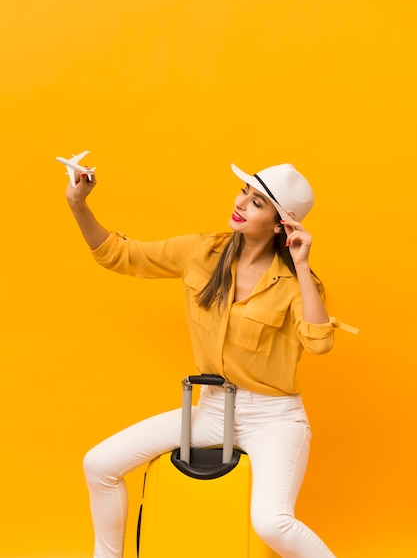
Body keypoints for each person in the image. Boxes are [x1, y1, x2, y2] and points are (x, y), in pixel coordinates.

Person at [65, 160, 357, 558]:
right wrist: (78, 203)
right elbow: (120, 255)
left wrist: (303, 265)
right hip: (211, 411)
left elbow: (320, 343)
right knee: (99, 464)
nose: (241, 203)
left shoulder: (293, 283)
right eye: (244, 193)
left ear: (279, 225)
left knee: (272, 522)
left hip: (274, 419)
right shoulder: (201, 251)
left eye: (257, 203)